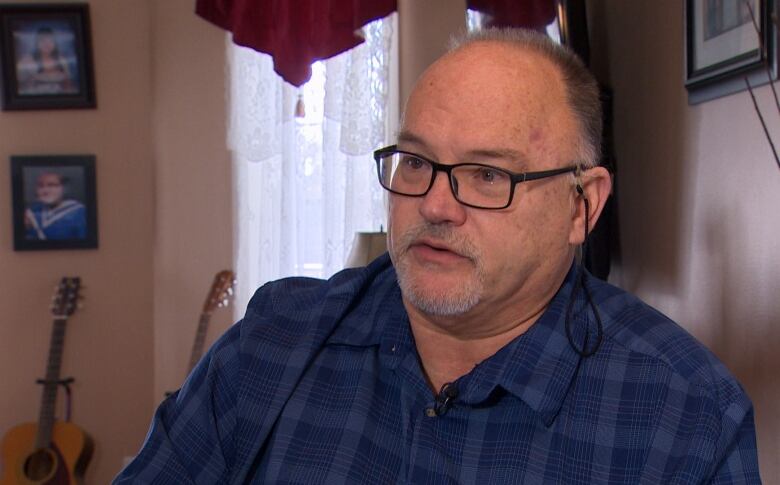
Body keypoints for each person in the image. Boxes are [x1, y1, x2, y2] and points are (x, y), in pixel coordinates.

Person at [115, 28, 760, 483]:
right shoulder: (274, 342)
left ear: (581, 207)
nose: (435, 205)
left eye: (486, 175)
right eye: (417, 162)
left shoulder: (685, 413)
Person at [25, 171, 87, 240]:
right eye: (40, 186)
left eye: (51, 185)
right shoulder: (32, 211)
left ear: (64, 188)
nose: (45, 191)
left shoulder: (80, 213)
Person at [16, 26, 76, 95]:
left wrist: (66, 82)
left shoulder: (62, 59)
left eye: (50, 41)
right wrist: (30, 81)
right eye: (43, 41)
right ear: (37, 43)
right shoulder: (27, 60)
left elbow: (69, 84)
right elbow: (19, 86)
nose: (47, 44)